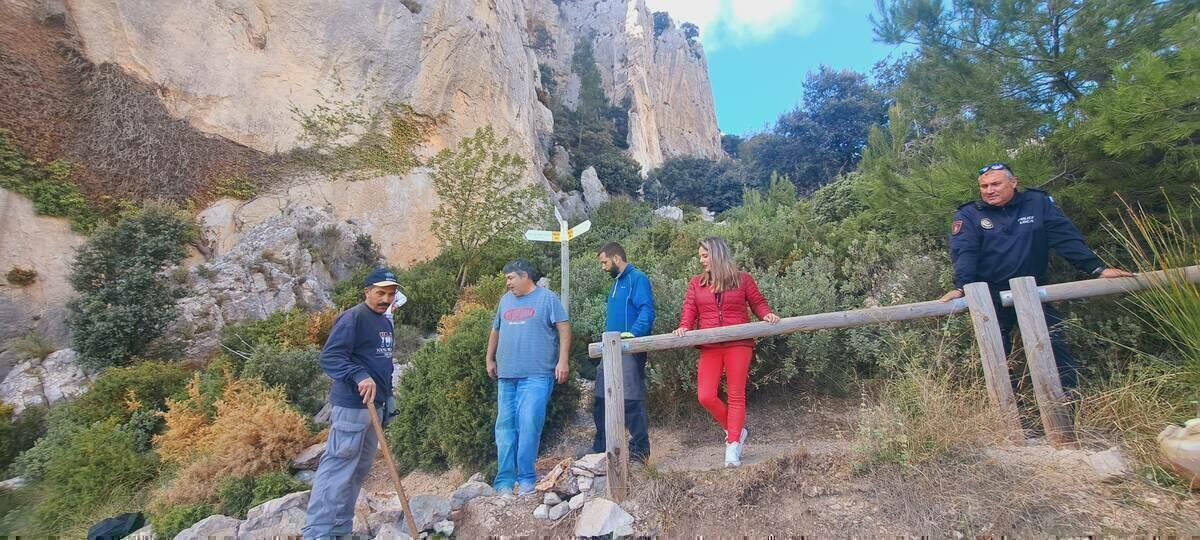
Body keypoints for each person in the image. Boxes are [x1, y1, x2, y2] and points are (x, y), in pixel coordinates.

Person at [940, 162, 1132, 389]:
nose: (989, 190)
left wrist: (1096, 269)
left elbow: (1065, 238)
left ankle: (1068, 409)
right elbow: (965, 252)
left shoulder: (1037, 204)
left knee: (1055, 347)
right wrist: (961, 286)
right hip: (990, 296)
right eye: (984, 186)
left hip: (1032, 292)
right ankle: (1013, 419)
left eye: (995, 184)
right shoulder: (970, 214)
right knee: (998, 360)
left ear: (1014, 182)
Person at [303, 268, 400, 539]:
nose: (385, 299)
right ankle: (317, 533)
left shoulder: (385, 321)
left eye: (390, 294)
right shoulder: (353, 317)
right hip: (352, 407)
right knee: (338, 468)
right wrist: (359, 375)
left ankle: (340, 528)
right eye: (380, 293)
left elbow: (380, 362)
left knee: (358, 470)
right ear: (367, 291)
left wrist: (387, 397)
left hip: (375, 407)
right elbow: (331, 357)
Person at [673, 237, 780, 467]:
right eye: (700, 256)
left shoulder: (743, 280)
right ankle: (737, 431)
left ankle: (732, 446)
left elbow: (758, 303)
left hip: (738, 343)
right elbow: (690, 308)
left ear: (717, 255)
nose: (701, 260)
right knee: (705, 395)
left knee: (736, 394)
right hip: (710, 344)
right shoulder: (696, 283)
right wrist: (684, 326)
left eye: (704, 255)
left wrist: (767, 315)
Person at [486, 259, 571, 496]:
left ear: (525, 277)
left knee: (529, 425)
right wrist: (489, 359)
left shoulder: (547, 298)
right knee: (504, 428)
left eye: (511, 278)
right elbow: (496, 330)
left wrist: (563, 361)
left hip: (537, 376)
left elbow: (564, 327)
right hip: (507, 376)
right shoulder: (505, 301)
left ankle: (526, 479)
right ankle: (503, 482)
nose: (507, 283)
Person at [578, 242, 655, 463]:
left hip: (629, 350)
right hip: (609, 350)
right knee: (601, 399)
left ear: (616, 259)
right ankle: (602, 449)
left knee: (631, 400)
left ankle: (640, 453)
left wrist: (633, 334)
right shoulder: (615, 283)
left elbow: (647, 310)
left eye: (604, 262)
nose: (602, 266)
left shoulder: (637, 279)